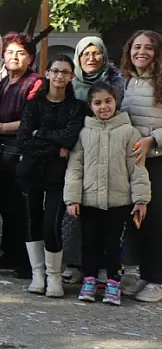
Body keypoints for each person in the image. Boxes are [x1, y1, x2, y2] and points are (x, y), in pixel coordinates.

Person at [65, 83, 151, 306]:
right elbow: (75, 167)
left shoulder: (129, 132)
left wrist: (141, 199)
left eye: (108, 101)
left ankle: (114, 282)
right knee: (90, 243)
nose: (103, 107)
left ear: (116, 102)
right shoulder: (84, 132)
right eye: (97, 102)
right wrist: (72, 198)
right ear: (90, 105)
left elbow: (137, 168)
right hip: (89, 201)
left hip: (119, 202)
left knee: (114, 244)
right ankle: (89, 281)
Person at [17, 55, 86, 297]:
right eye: (55, 71)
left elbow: (70, 138)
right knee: (32, 221)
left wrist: (41, 133)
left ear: (71, 76)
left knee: (51, 225)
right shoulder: (33, 104)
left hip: (59, 175)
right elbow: (24, 140)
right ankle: (38, 275)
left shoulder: (76, 107)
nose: (59, 76)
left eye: (65, 72)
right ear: (46, 73)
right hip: (32, 171)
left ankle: (54, 276)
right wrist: (56, 148)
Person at [64, 36, 126, 283]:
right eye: (85, 54)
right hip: (76, 150)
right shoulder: (71, 83)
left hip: (109, 153)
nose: (91, 58)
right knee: (75, 213)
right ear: (78, 58)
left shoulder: (116, 83)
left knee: (107, 220)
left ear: (104, 56)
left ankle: (106, 271)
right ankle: (77, 264)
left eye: (96, 53)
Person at [0, 33, 44, 274]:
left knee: (25, 209)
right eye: (10, 52)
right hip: (2, 154)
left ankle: (29, 261)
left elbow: (34, 120)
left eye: (20, 53)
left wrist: (0, 128)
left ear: (30, 58)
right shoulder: (3, 83)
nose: (14, 57)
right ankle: (10, 253)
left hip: (24, 152)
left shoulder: (36, 83)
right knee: (6, 206)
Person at [120, 30, 162, 302]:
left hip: (157, 160)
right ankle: (145, 276)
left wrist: (153, 140)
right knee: (138, 222)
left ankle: (157, 280)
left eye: (148, 48)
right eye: (137, 47)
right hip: (134, 162)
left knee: (156, 221)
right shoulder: (128, 81)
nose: (141, 52)